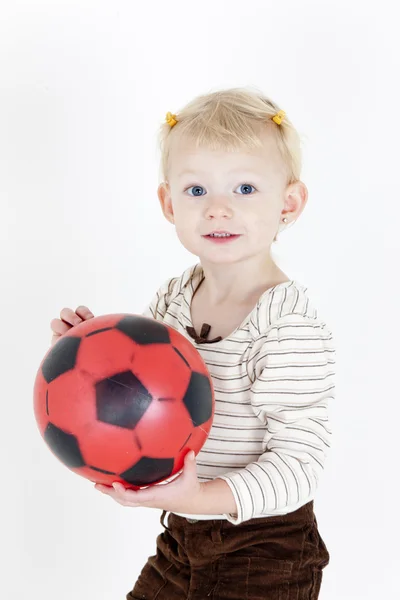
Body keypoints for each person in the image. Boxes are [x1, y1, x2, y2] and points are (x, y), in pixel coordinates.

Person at [50, 87, 336, 599]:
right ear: (168, 202)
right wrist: (87, 356)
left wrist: (202, 495)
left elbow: (299, 468)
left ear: (289, 203)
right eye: (197, 191)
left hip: (266, 551)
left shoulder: (287, 324)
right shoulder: (178, 296)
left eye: (245, 189)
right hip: (183, 537)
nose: (219, 210)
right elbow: (138, 391)